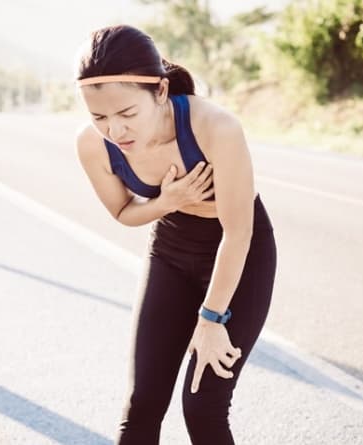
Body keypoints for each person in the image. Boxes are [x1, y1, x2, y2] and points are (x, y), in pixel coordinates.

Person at [73, 25, 277, 445]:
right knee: (142, 404)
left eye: (127, 114)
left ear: (161, 92)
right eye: (99, 118)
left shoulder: (215, 127)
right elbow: (124, 212)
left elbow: (238, 232)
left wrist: (211, 318)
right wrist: (167, 202)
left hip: (239, 255)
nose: (115, 131)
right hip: (170, 251)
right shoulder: (93, 146)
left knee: (202, 408)